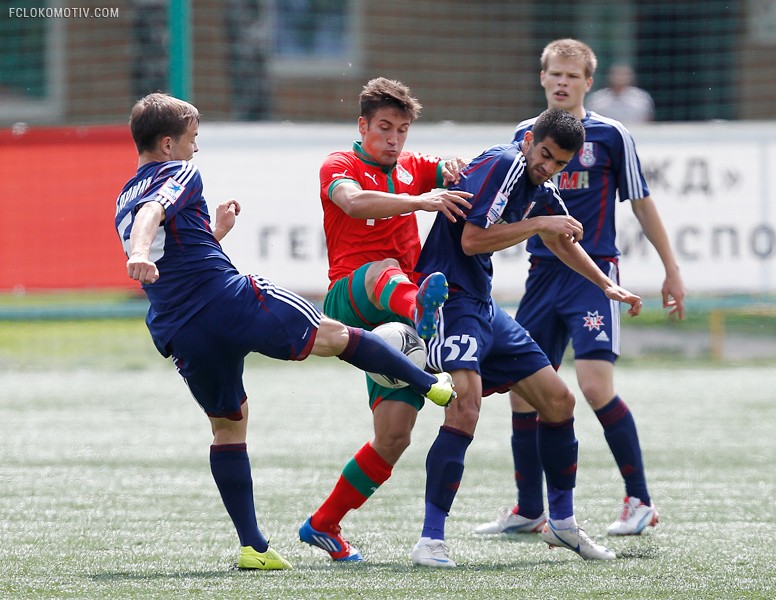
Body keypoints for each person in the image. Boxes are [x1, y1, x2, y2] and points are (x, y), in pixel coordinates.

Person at [114, 92, 456, 571]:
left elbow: (173, 248)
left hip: (180, 327)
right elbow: (155, 214)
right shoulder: (180, 173)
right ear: (168, 144)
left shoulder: (121, 198)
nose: (197, 147)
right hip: (228, 300)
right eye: (192, 138)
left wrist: (215, 232)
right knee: (335, 337)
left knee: (228, 427)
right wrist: (139, 252)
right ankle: (429, 384)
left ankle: (253, 547)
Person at [409, 107, 644, 568]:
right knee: (465, 408)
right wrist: (540, 224)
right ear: (530, 139)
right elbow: (472, 240)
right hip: (451, 299)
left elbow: (561, 241)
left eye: (560, 163)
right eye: (546, 155)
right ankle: (429, 540)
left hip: (482, 304)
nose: (548, 166)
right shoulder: (505, 163)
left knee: (559, 401)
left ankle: (562, 523)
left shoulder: (540, 185)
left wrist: (605, 285)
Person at [474, 39, 685, 540]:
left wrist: (670, 269)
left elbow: (642, 202)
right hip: (541, 276)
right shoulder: (524, 135)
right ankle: (530, 509)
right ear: (543, 78)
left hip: (593, 277)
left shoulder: (612, 135)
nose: (563, 82)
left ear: (589, 83)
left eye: (573, 75)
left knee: (593, 386)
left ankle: (640, 501)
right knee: (523, 394)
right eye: (555, 73)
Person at [299, 77, 472, 562]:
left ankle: (323, 524)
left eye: (402, 130)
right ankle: (421, 310)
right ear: (362, 126)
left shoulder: (413, 166)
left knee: (394, 436)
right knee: (384, 268)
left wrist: (454, 167)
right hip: (350, 297)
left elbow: (451, 170)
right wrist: (421, 200)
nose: (394, 139)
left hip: (396, 320)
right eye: (384, 128)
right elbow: (352, 202)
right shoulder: (340, 164)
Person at [586, 63, 655, 124]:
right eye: (617, 74)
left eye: (624, 74)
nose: (620, 77)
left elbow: (648, 121)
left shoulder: (642, 98)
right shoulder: (596, 100)